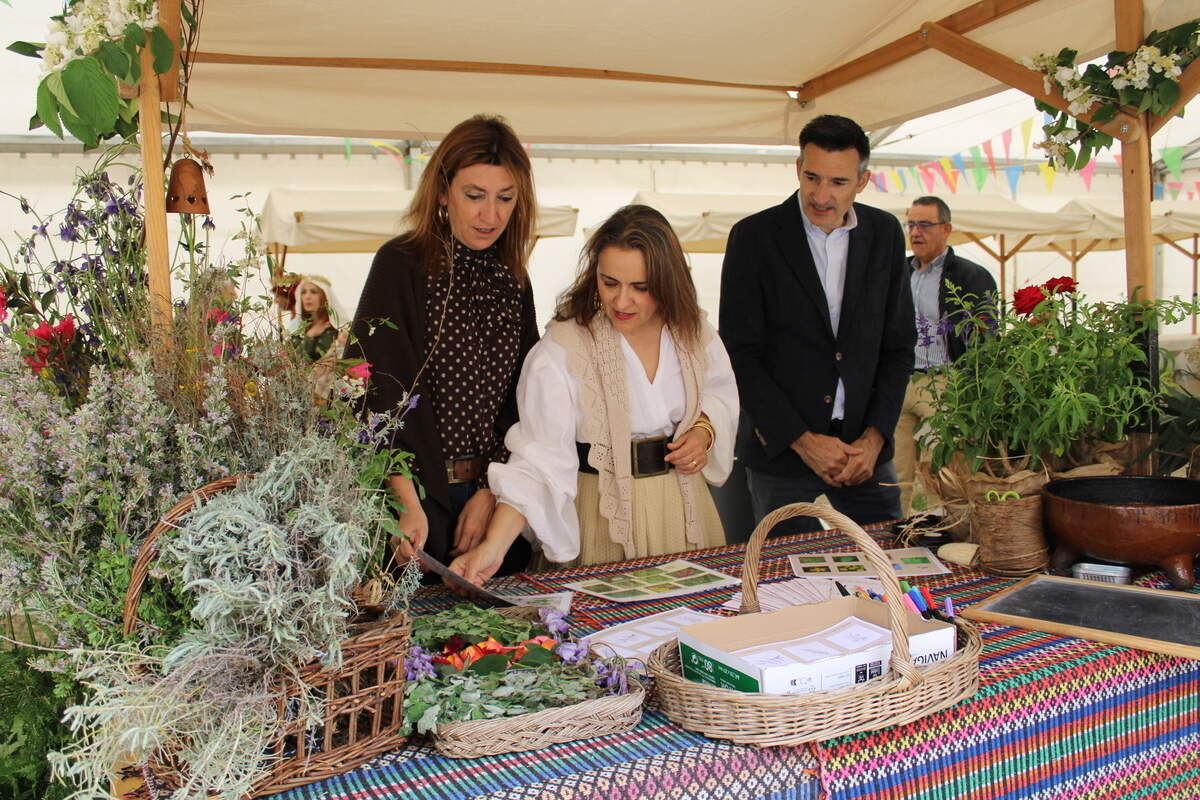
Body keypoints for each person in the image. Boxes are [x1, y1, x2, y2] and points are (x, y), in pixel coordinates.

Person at [448, 204, 738, 584]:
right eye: (609, 282)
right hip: (600, 515)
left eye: (641, 287)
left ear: (668, 281)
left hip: (683, 509)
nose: (621, 301)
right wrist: (492, 549)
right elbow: (539, 461)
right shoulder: (563, 349)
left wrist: (703, 432)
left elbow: (719, 396)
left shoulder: (694, 333)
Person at [347, 115, 538, 573]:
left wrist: (494, 491)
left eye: (504, 198)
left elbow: (526, 398)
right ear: (442, 192)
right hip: (413, 497)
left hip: (491, 503)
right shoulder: (400, 264)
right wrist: (402, 500)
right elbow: (375, 389)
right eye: (474, 196)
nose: (489, 214)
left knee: (497, 639)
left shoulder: (513, 279)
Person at [718, 114, 915, 535]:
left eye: (838, 183)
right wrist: (803, 442)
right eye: (812, 177)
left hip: (866, 456)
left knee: (891, 569)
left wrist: (875, 438)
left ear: (862, 182)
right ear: (797, 168)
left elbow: (898, 346)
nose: (821, 195)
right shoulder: (753, 237)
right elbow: (740, 354)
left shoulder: (885, 235)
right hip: (783, 456)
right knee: (786, 584)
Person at [895, 196, 998, 514]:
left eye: (924, 224)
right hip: (901, 381)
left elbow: (987, 334)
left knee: (940, 472)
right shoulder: (899, 272)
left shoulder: (971, 275)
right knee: (896, 473)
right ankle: (896, 535)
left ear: (946, 229)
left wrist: (972, 385)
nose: (915, 232)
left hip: (945, 383)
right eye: (911, 224)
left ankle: (942, 534)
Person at [291, 275, 347, 362]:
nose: (307, 297)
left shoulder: (336, 329)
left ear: (324, 296)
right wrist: (310, 335)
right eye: (303, 292)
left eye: (313, 292)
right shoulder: (298, 329)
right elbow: (292, 360)